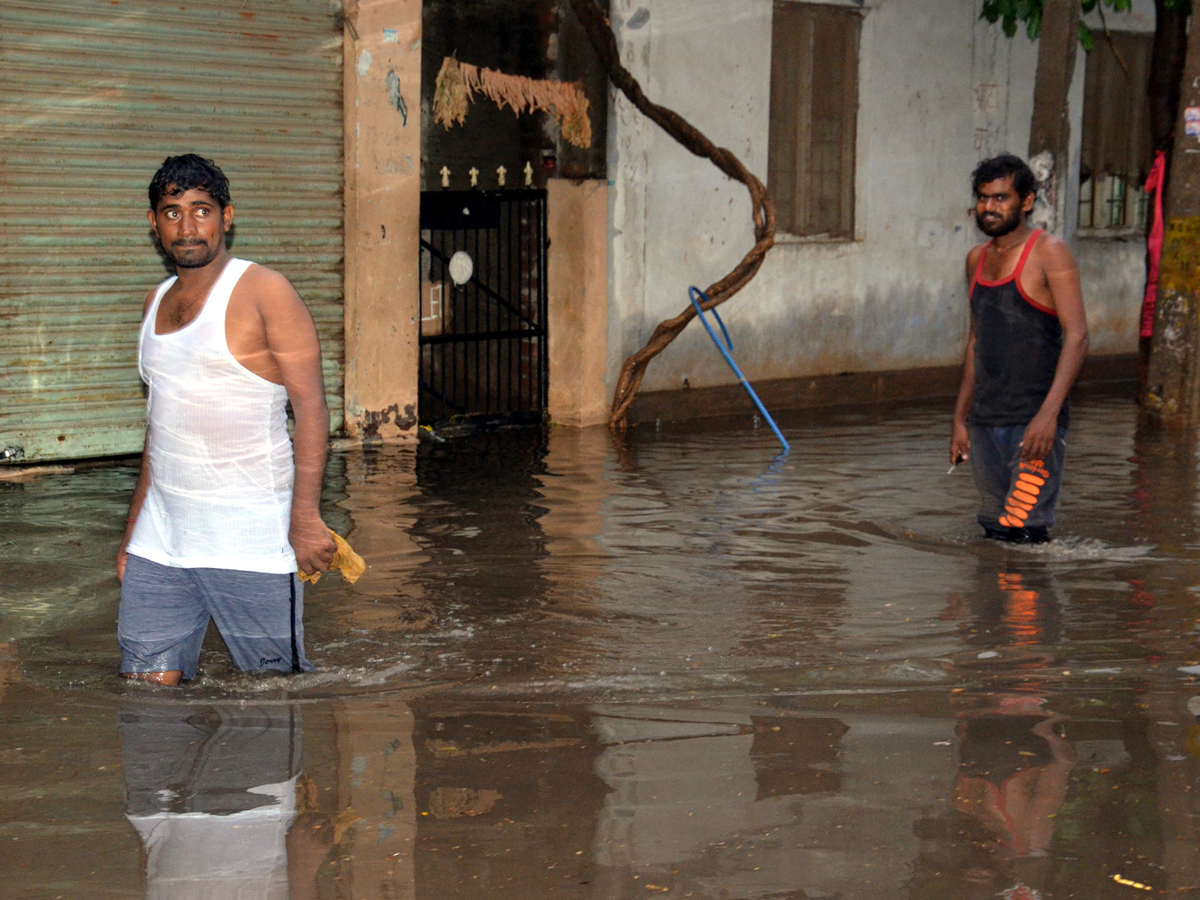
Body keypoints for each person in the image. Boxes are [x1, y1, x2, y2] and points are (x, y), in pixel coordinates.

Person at [116, 154, 335, 684]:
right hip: (162, 539)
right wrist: (131, 535)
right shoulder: (154, 303)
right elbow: (159, 428)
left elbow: (311, 412)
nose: (187, 226)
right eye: (172, 212)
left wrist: (304, 520)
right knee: (145, 697)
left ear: (227, 216)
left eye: (201, 210)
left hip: (252, 538)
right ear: (154, 224)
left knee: (270, 701)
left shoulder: (264, 291)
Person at [950, 154, 1089, 543]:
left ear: (1026, 201)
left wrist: (1048, 416)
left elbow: (1077, 336)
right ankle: (993, 604)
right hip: (985, 422)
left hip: (1034, 422)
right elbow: (976, 341)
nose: (989, 208)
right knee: (995, 527)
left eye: (1000, 198)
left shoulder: (1050, 252)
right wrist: (960, 419)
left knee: (1025, 529)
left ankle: (1028, 604)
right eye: (982, 198)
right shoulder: (976, 260)